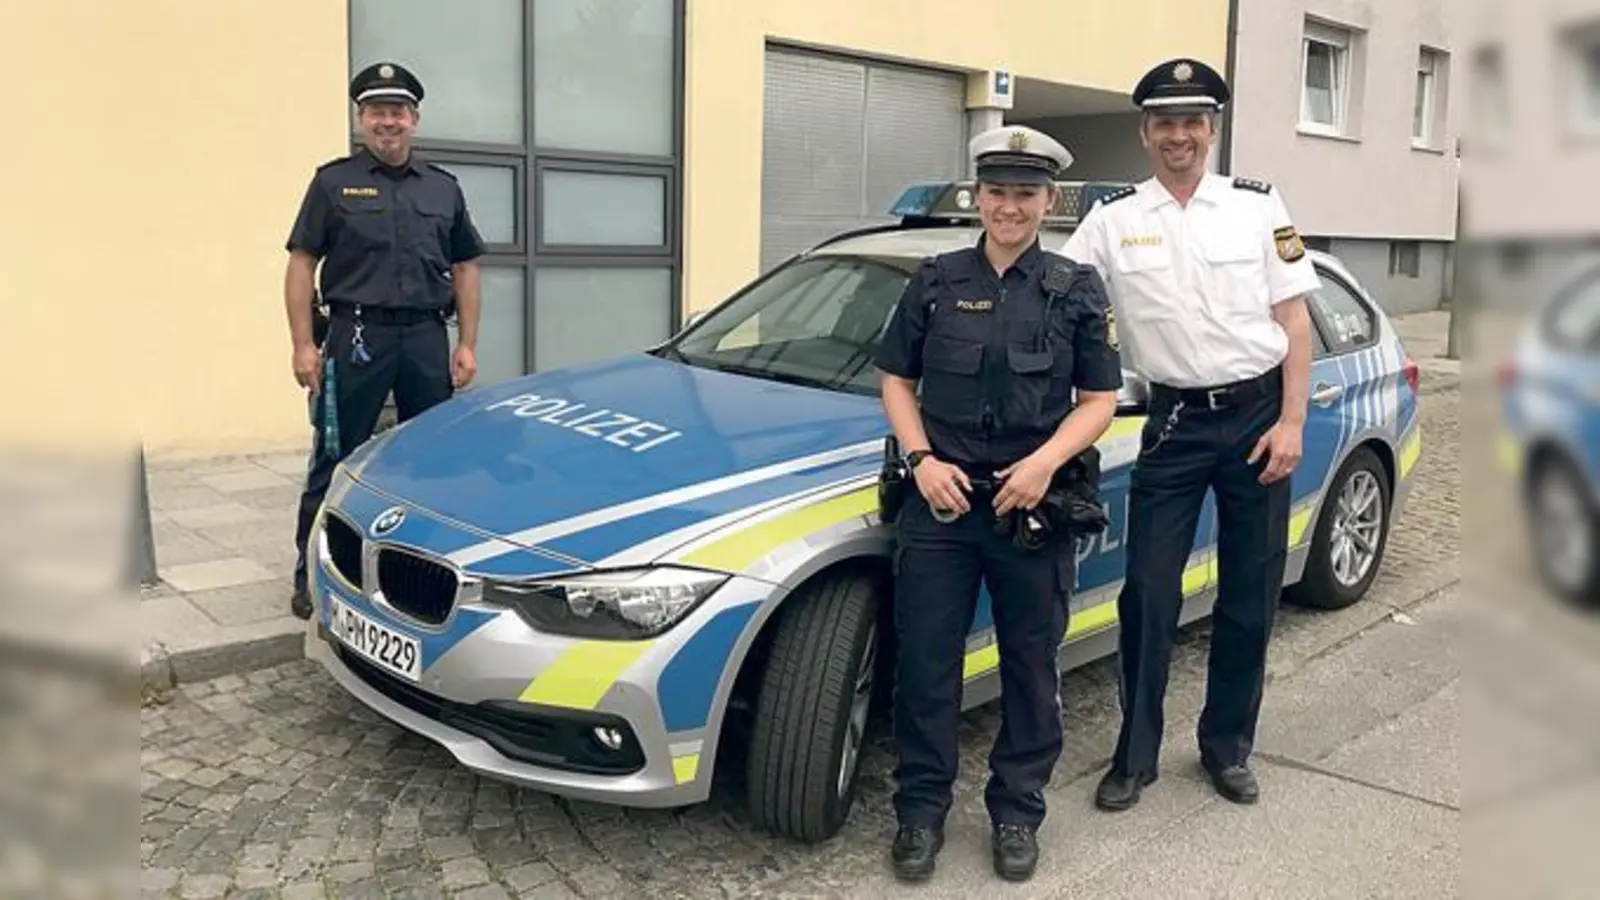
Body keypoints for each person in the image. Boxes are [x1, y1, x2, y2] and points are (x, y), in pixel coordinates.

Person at [1059, 58, 1320, 811]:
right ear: (1146, 131)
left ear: (1212, 129)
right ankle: (1134, 756)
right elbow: (1064, 308)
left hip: (1258, 416)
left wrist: (1293, 421)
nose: (1180, 135)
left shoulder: (1258, 206)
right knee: (1146, 594)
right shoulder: (1113, 221)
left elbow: (1294, 321)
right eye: (1165, 122)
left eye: (1192, 121)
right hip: (1173, 419)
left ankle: (1227, 746)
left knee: (1250, 592)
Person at [873, 125, 1122, 883]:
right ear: (976, 198)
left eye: (1025, 194)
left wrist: (1045, 465)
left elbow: (1100, 399)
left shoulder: (1077, 288)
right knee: (925, 667)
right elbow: (895, 381)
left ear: (1048, 202)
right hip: (941, 505)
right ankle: (920, 814)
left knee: (1029, 666)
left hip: (1030, 507)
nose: (1009, 207)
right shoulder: (935, 280)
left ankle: (1018, 809)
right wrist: (920, 462)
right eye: (997, 192)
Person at [284, 61, 486, 619]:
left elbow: (466, 266)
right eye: (376, 111)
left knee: (433, 461)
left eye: (397, 111)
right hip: (355, 337)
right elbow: (302, 263)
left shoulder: (444, 189)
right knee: (335, 456)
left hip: (424, 336)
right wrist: (304, 344)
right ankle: (310, 575)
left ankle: (420, 581)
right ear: (361, 119)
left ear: (414, 119)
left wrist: (465, 344)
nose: (387, 121)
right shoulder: (332, 182)